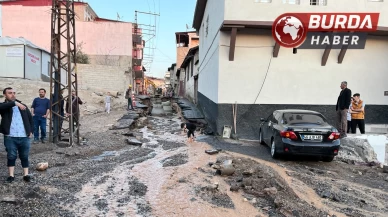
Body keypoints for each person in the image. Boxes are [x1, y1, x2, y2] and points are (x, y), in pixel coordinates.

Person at [0, 87, 34, 183]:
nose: (13, 94)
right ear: (5, 95)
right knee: (11, 155)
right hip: (10, 136)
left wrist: (31, 130)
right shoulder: (4, 106)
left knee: (24, 155)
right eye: (10, 93)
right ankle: (11, 176)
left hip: (24, 136)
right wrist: (14, 103)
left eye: (14, 92)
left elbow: (30, 119)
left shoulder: (23, 106)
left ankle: (26, 175)